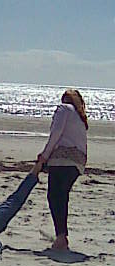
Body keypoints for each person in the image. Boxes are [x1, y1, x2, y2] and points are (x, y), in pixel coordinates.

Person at [37, 89, 88, 250]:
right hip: (78, 161)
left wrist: (45, 155)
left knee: (54, 196)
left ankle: (61, 236)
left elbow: (56, 133)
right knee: (62, 195)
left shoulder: (63, 109)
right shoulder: (80, 118)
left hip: (63, 158)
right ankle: (62, 236)